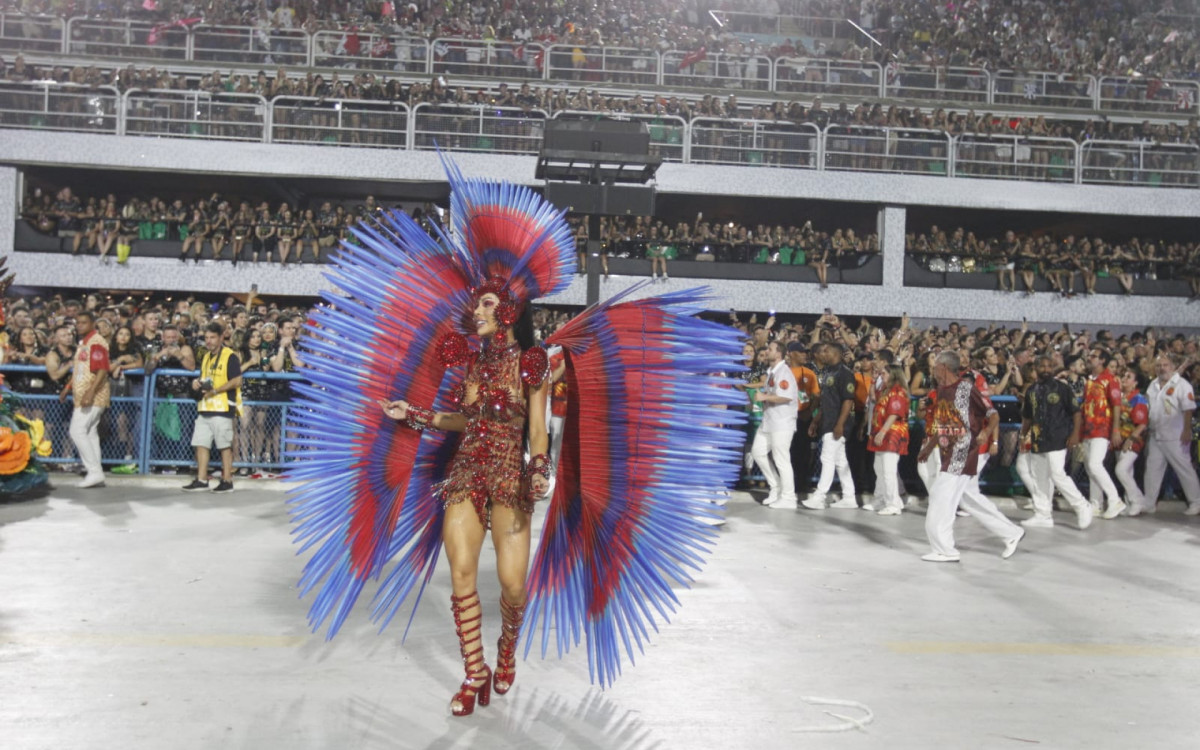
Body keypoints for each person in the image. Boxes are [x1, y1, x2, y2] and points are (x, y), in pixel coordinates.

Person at [380, 280, 552, 715]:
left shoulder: (533, 364)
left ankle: (506, 651)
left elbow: (536, 430)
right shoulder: (472, 363)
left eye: (487, 303)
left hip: (509, 475)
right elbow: (464, 420)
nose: (477, 311)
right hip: (467, 472)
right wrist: (414, 414)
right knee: (460, 572)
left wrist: (538, 469)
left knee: (513, 584)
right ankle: (475, 672)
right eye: (477, 304)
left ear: (510, 311)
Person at [918, 352, 1023, 562]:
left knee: (941, 496)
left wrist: (987, 433)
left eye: (935, 366)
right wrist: (929, 447)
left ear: (944, 367)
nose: (932, 370)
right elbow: (943, 424)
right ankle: (1011, 532)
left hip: (964, 450)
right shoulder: (940, 391)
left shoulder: (966, 389)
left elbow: (992, 413)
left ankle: (945, 549)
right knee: (965, 497)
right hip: (949, 451)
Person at [1019, 356, 1094, 530]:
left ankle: (1082, 506)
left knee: (1057, 473)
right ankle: (1043, 514)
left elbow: (1076, 412)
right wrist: (1023, 437)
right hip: (1038, 438)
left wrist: (1075, 434)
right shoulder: (1031, 390)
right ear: (1036, 369)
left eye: (1049, 366)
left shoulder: (1062, 388)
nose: (1046, 369)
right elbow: (1028, 417)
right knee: (1039, 477)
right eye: (1042, 366)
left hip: (1058, 437)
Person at [1133, 353, 1200, 515]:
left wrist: (1186, 430)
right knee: (1152, 469)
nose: (1162, 368)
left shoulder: (1182, 385)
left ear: (1172, 366)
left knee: (1184, 468)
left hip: (1176, 436)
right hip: (1156, 435)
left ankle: (1196, 502)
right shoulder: (1153, 385)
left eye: (1165, 365)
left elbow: (1188, 409)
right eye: (1158, 365)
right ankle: (1149, 503)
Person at [182, 323, 243, 493]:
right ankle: (202, 480)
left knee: (224, 445)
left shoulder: (230, 356)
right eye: (206, 338)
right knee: (201, 444)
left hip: (223, 407)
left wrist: (215, 390)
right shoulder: (207, 357)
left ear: (221, 337)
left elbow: (237, 381)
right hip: (205, 406)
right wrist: (197, 384)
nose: (208, 341)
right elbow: (206, 379)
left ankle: (227, 480)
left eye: (212, 337)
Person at [802, 342, 858, 509]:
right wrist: (815, 420)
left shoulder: (845, 373)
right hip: (827, 421)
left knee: (827, 458)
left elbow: (848, 401)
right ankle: (849, 497)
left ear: (834, 352)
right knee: (840, 461)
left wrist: (840, 425)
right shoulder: (827, 372)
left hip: (837, 423)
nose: (822, 354)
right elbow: (825, 400)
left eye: (824, 351)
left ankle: (819, 497)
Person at [64, 311, 109, 488]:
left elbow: (102, 370)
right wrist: (67, 387)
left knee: (77, 430)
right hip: (83, 394)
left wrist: (90, 392)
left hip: (93, 396)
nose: (79, 325)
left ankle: (94, 471)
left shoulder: (96, 342)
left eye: (84, 322)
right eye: (78, 323)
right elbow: (80, 369)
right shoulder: (84, 342)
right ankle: (96, 472)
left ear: (92, 323)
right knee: (90, 434)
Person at [753, 340, 799, 509]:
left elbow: (786, 396)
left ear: (778, 354)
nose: (767, 351)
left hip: (782, 422)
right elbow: (772, 392)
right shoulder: (772, 372)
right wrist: (764, 395)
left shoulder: (784, 372)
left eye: (770, 349)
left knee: (781, 459)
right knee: (757, 452)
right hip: (769, 420)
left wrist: (764, 398)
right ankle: (776, 487)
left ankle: (788, 497)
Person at [1080, 348, 1123, 516]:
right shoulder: (1090, 381)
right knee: (1090, 468)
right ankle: (1095, 503)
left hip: (1102, 428)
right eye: (1089, 355)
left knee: (1095, 464)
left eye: (1094, 356)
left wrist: (1116, 429)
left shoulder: (1110, 380)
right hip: (1088, 429)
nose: (1090, 358)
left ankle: (1114, 500)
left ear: (1102, 361)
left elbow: (1117, 405)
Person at [868, 365, 909, 515]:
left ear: (893, 375)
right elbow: (873, 397)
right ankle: (881, 499)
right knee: (879, 468)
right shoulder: (886, 390)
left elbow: (895, 413)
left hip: (892, 434)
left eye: (884, 373)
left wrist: (883, 431)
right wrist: (873, 382)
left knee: (888, 470)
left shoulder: (897, 391)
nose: (881, 376)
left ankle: (893, 504)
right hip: (882, 433)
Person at [1109, 369, 1149, 518]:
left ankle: (1138, 499)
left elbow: (1142, 423)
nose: (1124, 378)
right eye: (1124, 375)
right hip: (1118, 439)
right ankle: (1129, 502)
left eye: (1128, 377)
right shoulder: (1119, 397)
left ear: (1135, 383)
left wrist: (1131, 439)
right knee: (1127, 472)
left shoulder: (1138, 399)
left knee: (1121, 469)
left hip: (1133, 439)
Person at [787, 342, 819, 497]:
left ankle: (802, 484)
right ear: (791, 353)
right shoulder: (783, 372)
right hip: (787, 418)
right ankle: (787, 484)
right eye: (800, 352)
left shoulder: (809, 373)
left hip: (804, 417)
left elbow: (817, 396)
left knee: (804, 452)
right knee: (787, 451)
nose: (804, 355)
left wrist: (810, 411)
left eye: (805, 352)